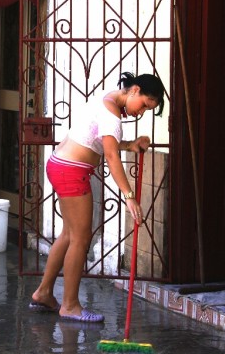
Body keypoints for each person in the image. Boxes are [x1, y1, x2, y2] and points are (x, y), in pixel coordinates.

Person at [30, 71, 165, 323]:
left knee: (70, 234)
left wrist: (130, 144)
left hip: (60, 165)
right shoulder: (112, 113)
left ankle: (44, 293)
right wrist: (130, 196)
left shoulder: (108, 99)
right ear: (134, 90)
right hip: (72, 171)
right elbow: (112, 157)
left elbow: (103, 143)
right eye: (145, 105)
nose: (141, 112)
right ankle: (69, 305)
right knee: (81, 239)